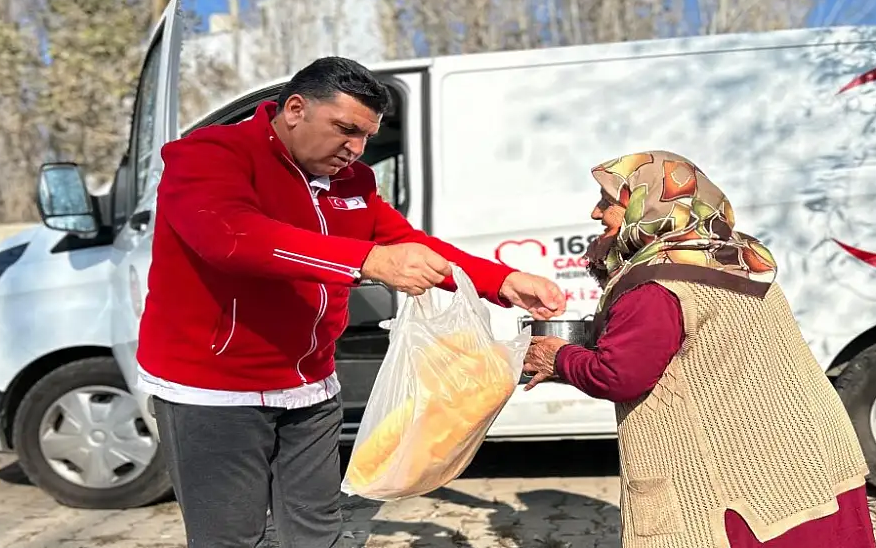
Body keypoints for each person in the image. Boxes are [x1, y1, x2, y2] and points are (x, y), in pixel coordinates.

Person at [135, 56, 565, 548]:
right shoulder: (210, 155)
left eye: (366, 135)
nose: (356, 150)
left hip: (311, 386)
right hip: (216, 393)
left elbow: (405, 242)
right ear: (295, 109)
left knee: (317, 531)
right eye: (345, 129)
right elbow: (231, 237)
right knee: (231, 538)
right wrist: (367, 260)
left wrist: (501, 280)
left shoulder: (354, 181)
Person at [521, 150, 876, 548]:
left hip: (744, 482)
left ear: (647, 204)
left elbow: (620, 376)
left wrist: (558, 357)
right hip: (806, 455)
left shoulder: (656, 285)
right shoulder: (736, 257)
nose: (595, 212)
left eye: (608, 202)